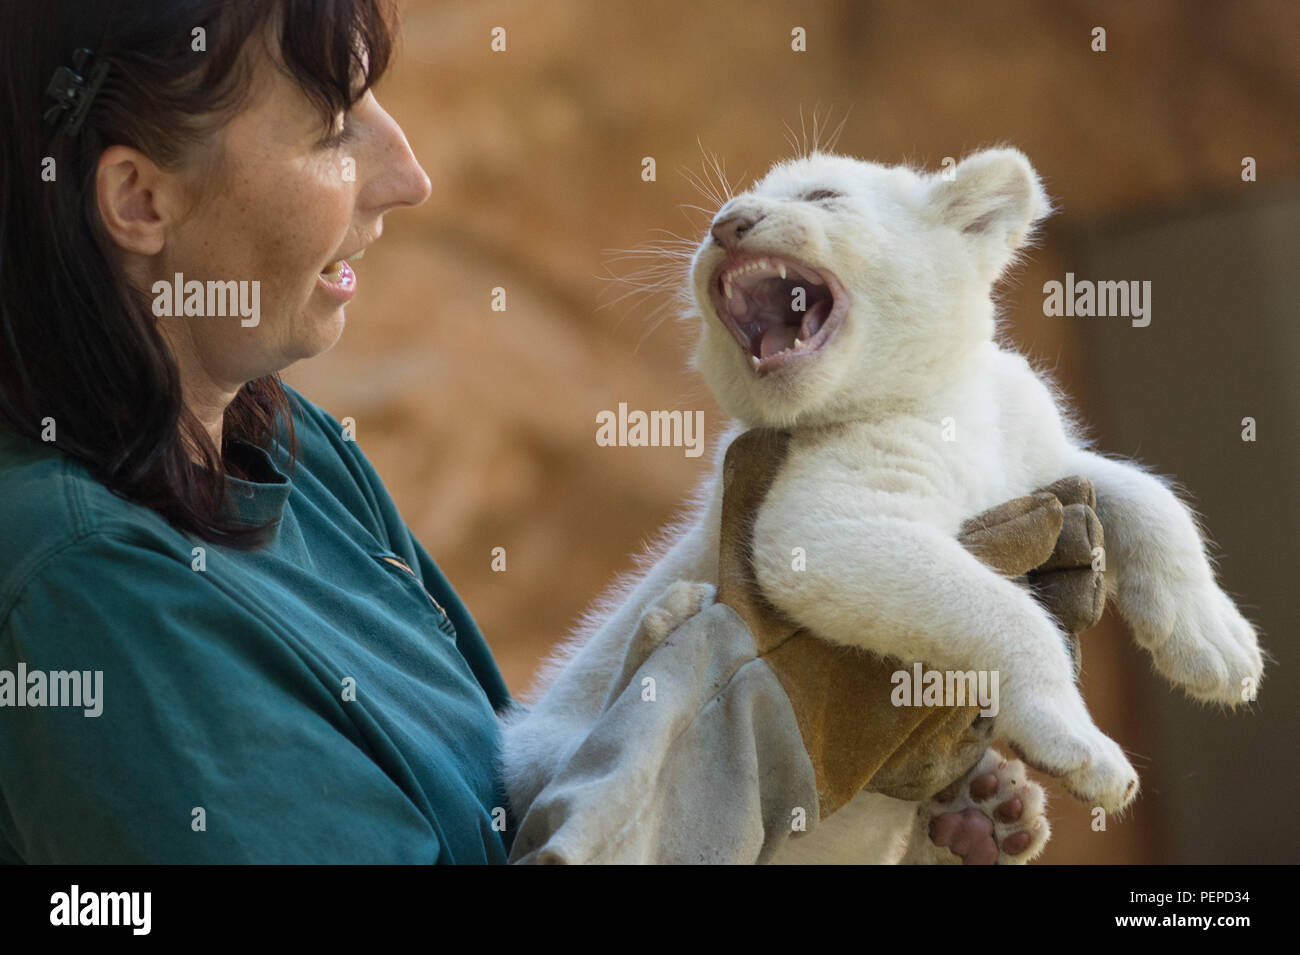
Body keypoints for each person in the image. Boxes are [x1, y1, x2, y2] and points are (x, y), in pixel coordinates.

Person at [0, 0, 1041, 864]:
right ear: (139, 198)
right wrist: (758, 729)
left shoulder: (289, 449)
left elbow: (518, 823)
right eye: (330, 127)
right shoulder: (84, 584)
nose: (407, 175)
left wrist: (832, 804)